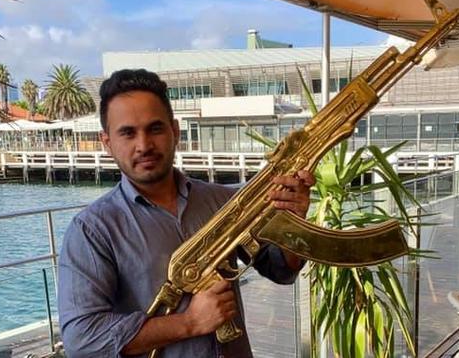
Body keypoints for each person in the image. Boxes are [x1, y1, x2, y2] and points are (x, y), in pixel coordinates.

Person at [57, 69, 314, 357]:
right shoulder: (92, 231)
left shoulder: (223, 200)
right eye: (127, 133)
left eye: (155, 128)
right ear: (107, 143)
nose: (143, 145)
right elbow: (82, 340)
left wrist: (293, 221)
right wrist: (189, 323)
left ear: (175, 131)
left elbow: (279, 268)